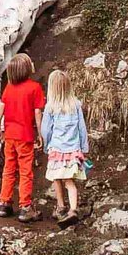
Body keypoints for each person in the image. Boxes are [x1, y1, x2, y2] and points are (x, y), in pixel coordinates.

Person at [0, 53, 45, 220]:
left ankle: (5, 203)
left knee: (9, 169)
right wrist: (40, 133)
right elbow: (37, 112)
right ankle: (25, 207)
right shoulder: (34, 87)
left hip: (9, 135)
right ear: (26, 68)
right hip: (25, 135)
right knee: (25, 171)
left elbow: (2, 107)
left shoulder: (9, 87)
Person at [40, 68, 91, 226]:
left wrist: (46, 145)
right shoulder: (75, 105)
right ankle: (73, 210)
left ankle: (61, 207)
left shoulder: (50, 107)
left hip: (57, 150)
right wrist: (84, 148)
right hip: (73, 151)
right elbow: (82, 128)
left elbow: (45, 129)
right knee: (70, 182)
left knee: (56, 178)